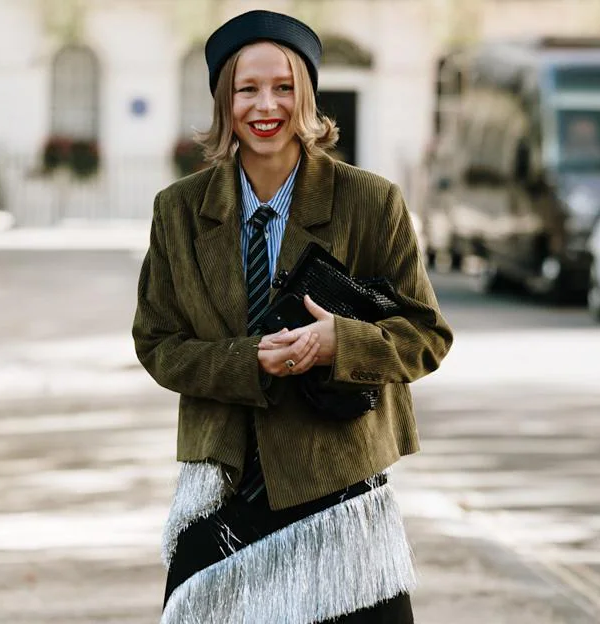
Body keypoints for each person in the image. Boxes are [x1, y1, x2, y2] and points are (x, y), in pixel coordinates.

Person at [133, 9, 453, 624]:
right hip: (224, 489)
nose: (265, 105)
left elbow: (428, 337)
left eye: (283, 87)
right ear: (225, 101)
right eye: (247, 89)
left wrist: (343, 343)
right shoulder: (177, 210)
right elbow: (156, 343)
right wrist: (244, 360)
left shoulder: (370, 201)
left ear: (306, 95)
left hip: (340, 494)